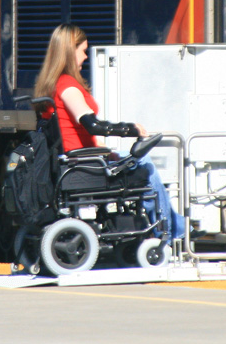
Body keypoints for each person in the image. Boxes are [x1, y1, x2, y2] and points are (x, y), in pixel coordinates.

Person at [32, 23, 188, 239]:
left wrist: (103, 151)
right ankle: (171, 233)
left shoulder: (52, 85)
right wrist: (130, 129)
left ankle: (175, 227)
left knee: (134, 160)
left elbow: (73, 133)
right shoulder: (67, 86)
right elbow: (93, 125)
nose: (85, 57)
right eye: (83, 51)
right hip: (84, 165)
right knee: (145, 164)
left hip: (81, 160)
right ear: (69, 52)